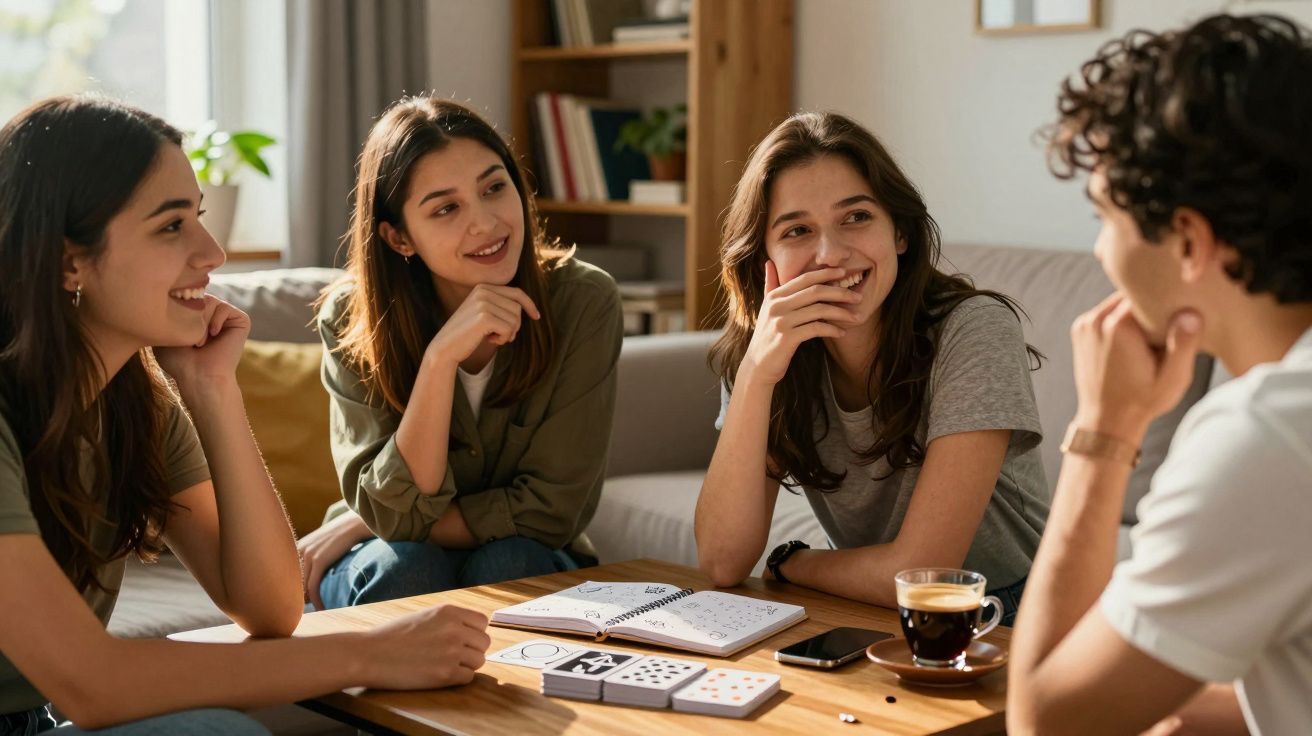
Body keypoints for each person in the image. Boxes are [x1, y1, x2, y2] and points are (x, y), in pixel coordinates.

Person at [0, 96, 491, 735]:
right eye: (171, 226)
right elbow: (94, 686)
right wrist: (376, 653)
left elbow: (268, 608)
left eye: (199, 218)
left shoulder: (135, 403)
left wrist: (212, 391)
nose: (212, 252)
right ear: (70, 260)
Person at [1006, 14, 1312, 735]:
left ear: (1188, 242)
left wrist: (1104, 428)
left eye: (1103, 217)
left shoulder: (1266, 436)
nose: (1101, 254)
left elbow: (1046, 722)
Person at [695, 111, 1048, 622]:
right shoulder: (768, 353)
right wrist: (756, 375)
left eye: (856, 217)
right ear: (763, 258)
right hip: (873, 607)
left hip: (1012, 612)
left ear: (899, 234)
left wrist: (795, 564)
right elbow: (723, 561)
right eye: (797, 230)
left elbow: (925, 575)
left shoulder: (975, 330)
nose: (830, 254)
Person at [297, 97, 624, 610]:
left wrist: (377, 521)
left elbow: (551, 513)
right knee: (407, 567)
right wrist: (439, 360)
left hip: (522, 551)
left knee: (511, 563)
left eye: (495, 187)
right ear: (399, 236)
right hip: (384, 556)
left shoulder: (582, 302)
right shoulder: (350, 317)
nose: (486, 223)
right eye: (446, 208)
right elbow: (393, 526)